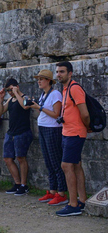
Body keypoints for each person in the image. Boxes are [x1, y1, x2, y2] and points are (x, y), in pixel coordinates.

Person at [55, 61, 89, 217]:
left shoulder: (75, 88)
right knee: (75, 166)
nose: (58, 74)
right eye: (57, 72)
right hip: (67, 132)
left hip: (75, 133)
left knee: (66, 166)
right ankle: (82, 200)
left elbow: (85, 113)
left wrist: (85, 127)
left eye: (62, 71)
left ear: (70, 73)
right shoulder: (65, 89)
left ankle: (73, 204)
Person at [28, 69, 67, 205]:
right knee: (48, 162)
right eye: (38, 79)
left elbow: (56, 114)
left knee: (56, 161)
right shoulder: (44, 94)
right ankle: (52, 191)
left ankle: (61, 193)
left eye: (42, 79)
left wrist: (39, 107)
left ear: (49, 81)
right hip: (44, 128)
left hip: (52, 130)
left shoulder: (55, 94)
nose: (39, 81)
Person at [0, 78, 33, 196]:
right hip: (11, 132)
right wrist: (1, 98)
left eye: (11, 89)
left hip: (22, 132)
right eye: (8, 90)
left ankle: (24, 185)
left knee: (21, 158)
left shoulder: (26, 97)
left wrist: (17, 93)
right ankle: (17, 183)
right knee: (7, 158)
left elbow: (25, 106)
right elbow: (0, 111)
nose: (10, 92)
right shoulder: (10, 99)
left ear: (17, 87)